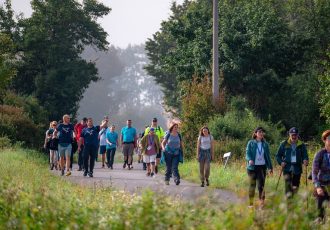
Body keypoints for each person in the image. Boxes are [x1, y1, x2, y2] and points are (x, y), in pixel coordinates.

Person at [276, 127, 308, 198]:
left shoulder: (301, 145)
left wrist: (305, 160)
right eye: (292, 135)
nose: (294, 136)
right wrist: (281, 162)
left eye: (295, 135)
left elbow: (305, 155)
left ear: (297, 135)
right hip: (287, 168)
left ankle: (294, 202)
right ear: (289, 135)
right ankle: (289, 205)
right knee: (288, 187)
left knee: (295, 187)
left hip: (297, 168)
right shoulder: (284, 144)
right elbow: (278, 156)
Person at [245, 127, 273, 208]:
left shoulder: (265, 144)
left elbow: (268, 156)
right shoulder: (251, 143)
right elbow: (247, 153)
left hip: (262, 167)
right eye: (259, 132)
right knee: (252, 185)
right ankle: (250, 204)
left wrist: (270, 167)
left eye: (262, 132)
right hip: (252, 168)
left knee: (261, 186)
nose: (261, 133)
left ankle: (262, 203)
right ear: (255, 133)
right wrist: (249, 159)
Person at [312, 130, 330, 222]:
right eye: (329, 139)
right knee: (320, 215)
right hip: (322, 185)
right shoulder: (320, 154)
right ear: (324, 140)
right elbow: (314, 172)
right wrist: (318, 187)